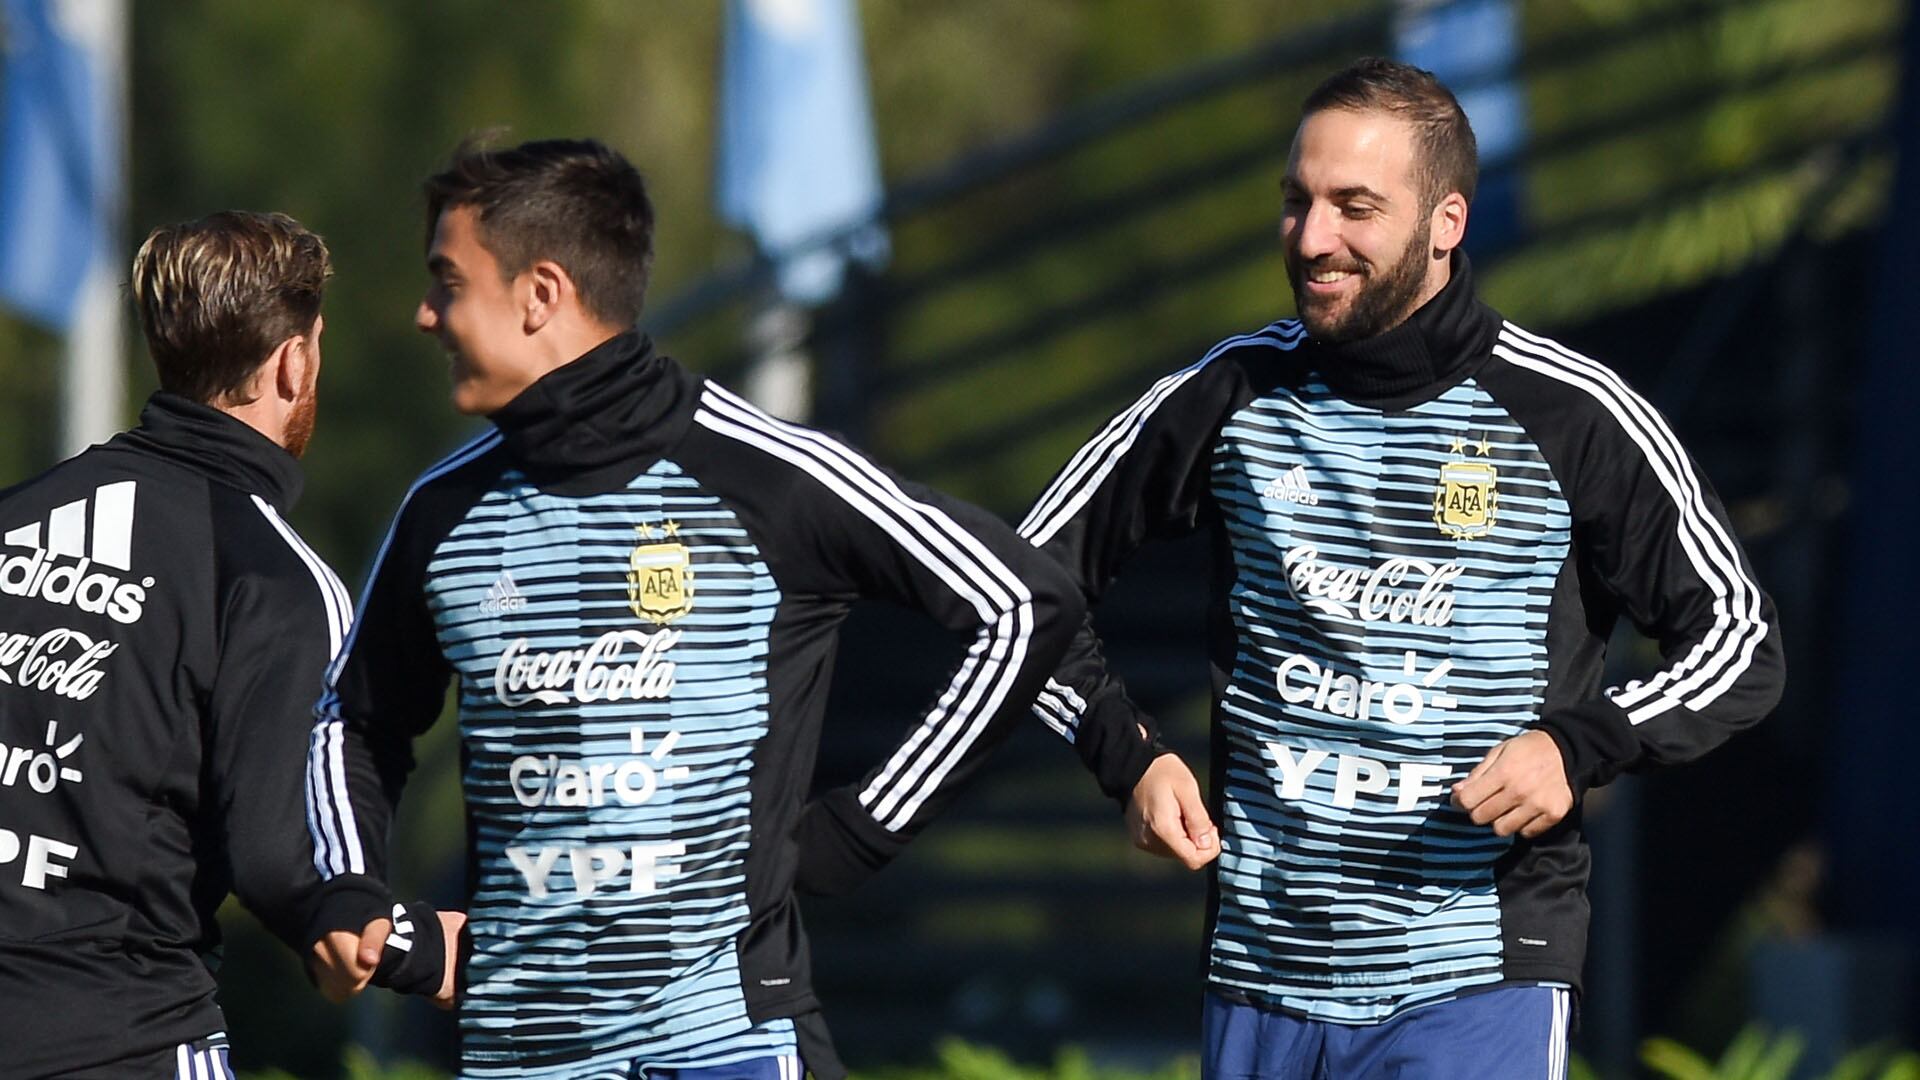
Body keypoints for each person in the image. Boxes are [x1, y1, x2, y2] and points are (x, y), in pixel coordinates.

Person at [1021, 58, 1784, 1078]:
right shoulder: (1228, 394)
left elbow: (1740, 638)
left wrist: (1579, 744)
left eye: (1355, 207)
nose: (1313, 237)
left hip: (1477, 982)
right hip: (1262, 974)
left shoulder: (1573, 414)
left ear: (1447, 222)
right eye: (1298, 201)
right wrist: (1128, 752)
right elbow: (1013, 588)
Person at [300, 137, 1085, 1080]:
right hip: (522, 1057)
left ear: (540, 293)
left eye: (448, 282)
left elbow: (1022, 602)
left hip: (729, 1048)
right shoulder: (441, 513)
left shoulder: (768, 475)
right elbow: (355, 722)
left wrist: (864, 826)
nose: (425, 315)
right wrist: (350, 884)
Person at [0, 211, 383, 1078]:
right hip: (122, 1039)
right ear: (295, 360)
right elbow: (285, 862)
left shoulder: (12, 515)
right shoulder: (275, 582)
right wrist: (415, 947)